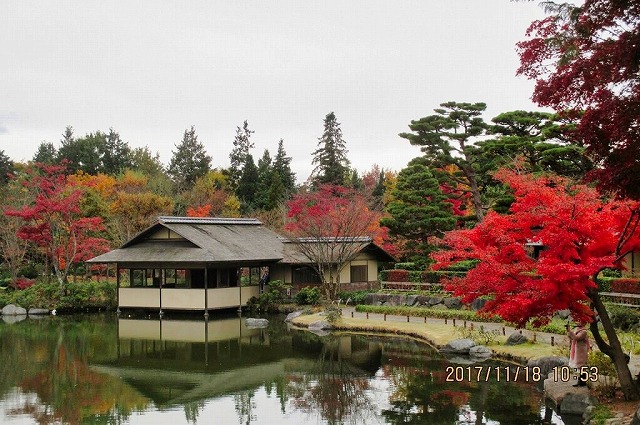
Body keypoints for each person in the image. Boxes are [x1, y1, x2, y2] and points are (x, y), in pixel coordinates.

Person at [566, 321, 590, 387]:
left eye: (579, 321)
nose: (577, 322)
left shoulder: (584, 331)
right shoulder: (578, 329)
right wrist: (568, 331)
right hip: (578, 349)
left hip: (581, 350)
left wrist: (570, 331)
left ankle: (582, 381)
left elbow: (576, 338)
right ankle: (582, 381)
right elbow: (572, 337)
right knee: (580, 366)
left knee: (581, 365)